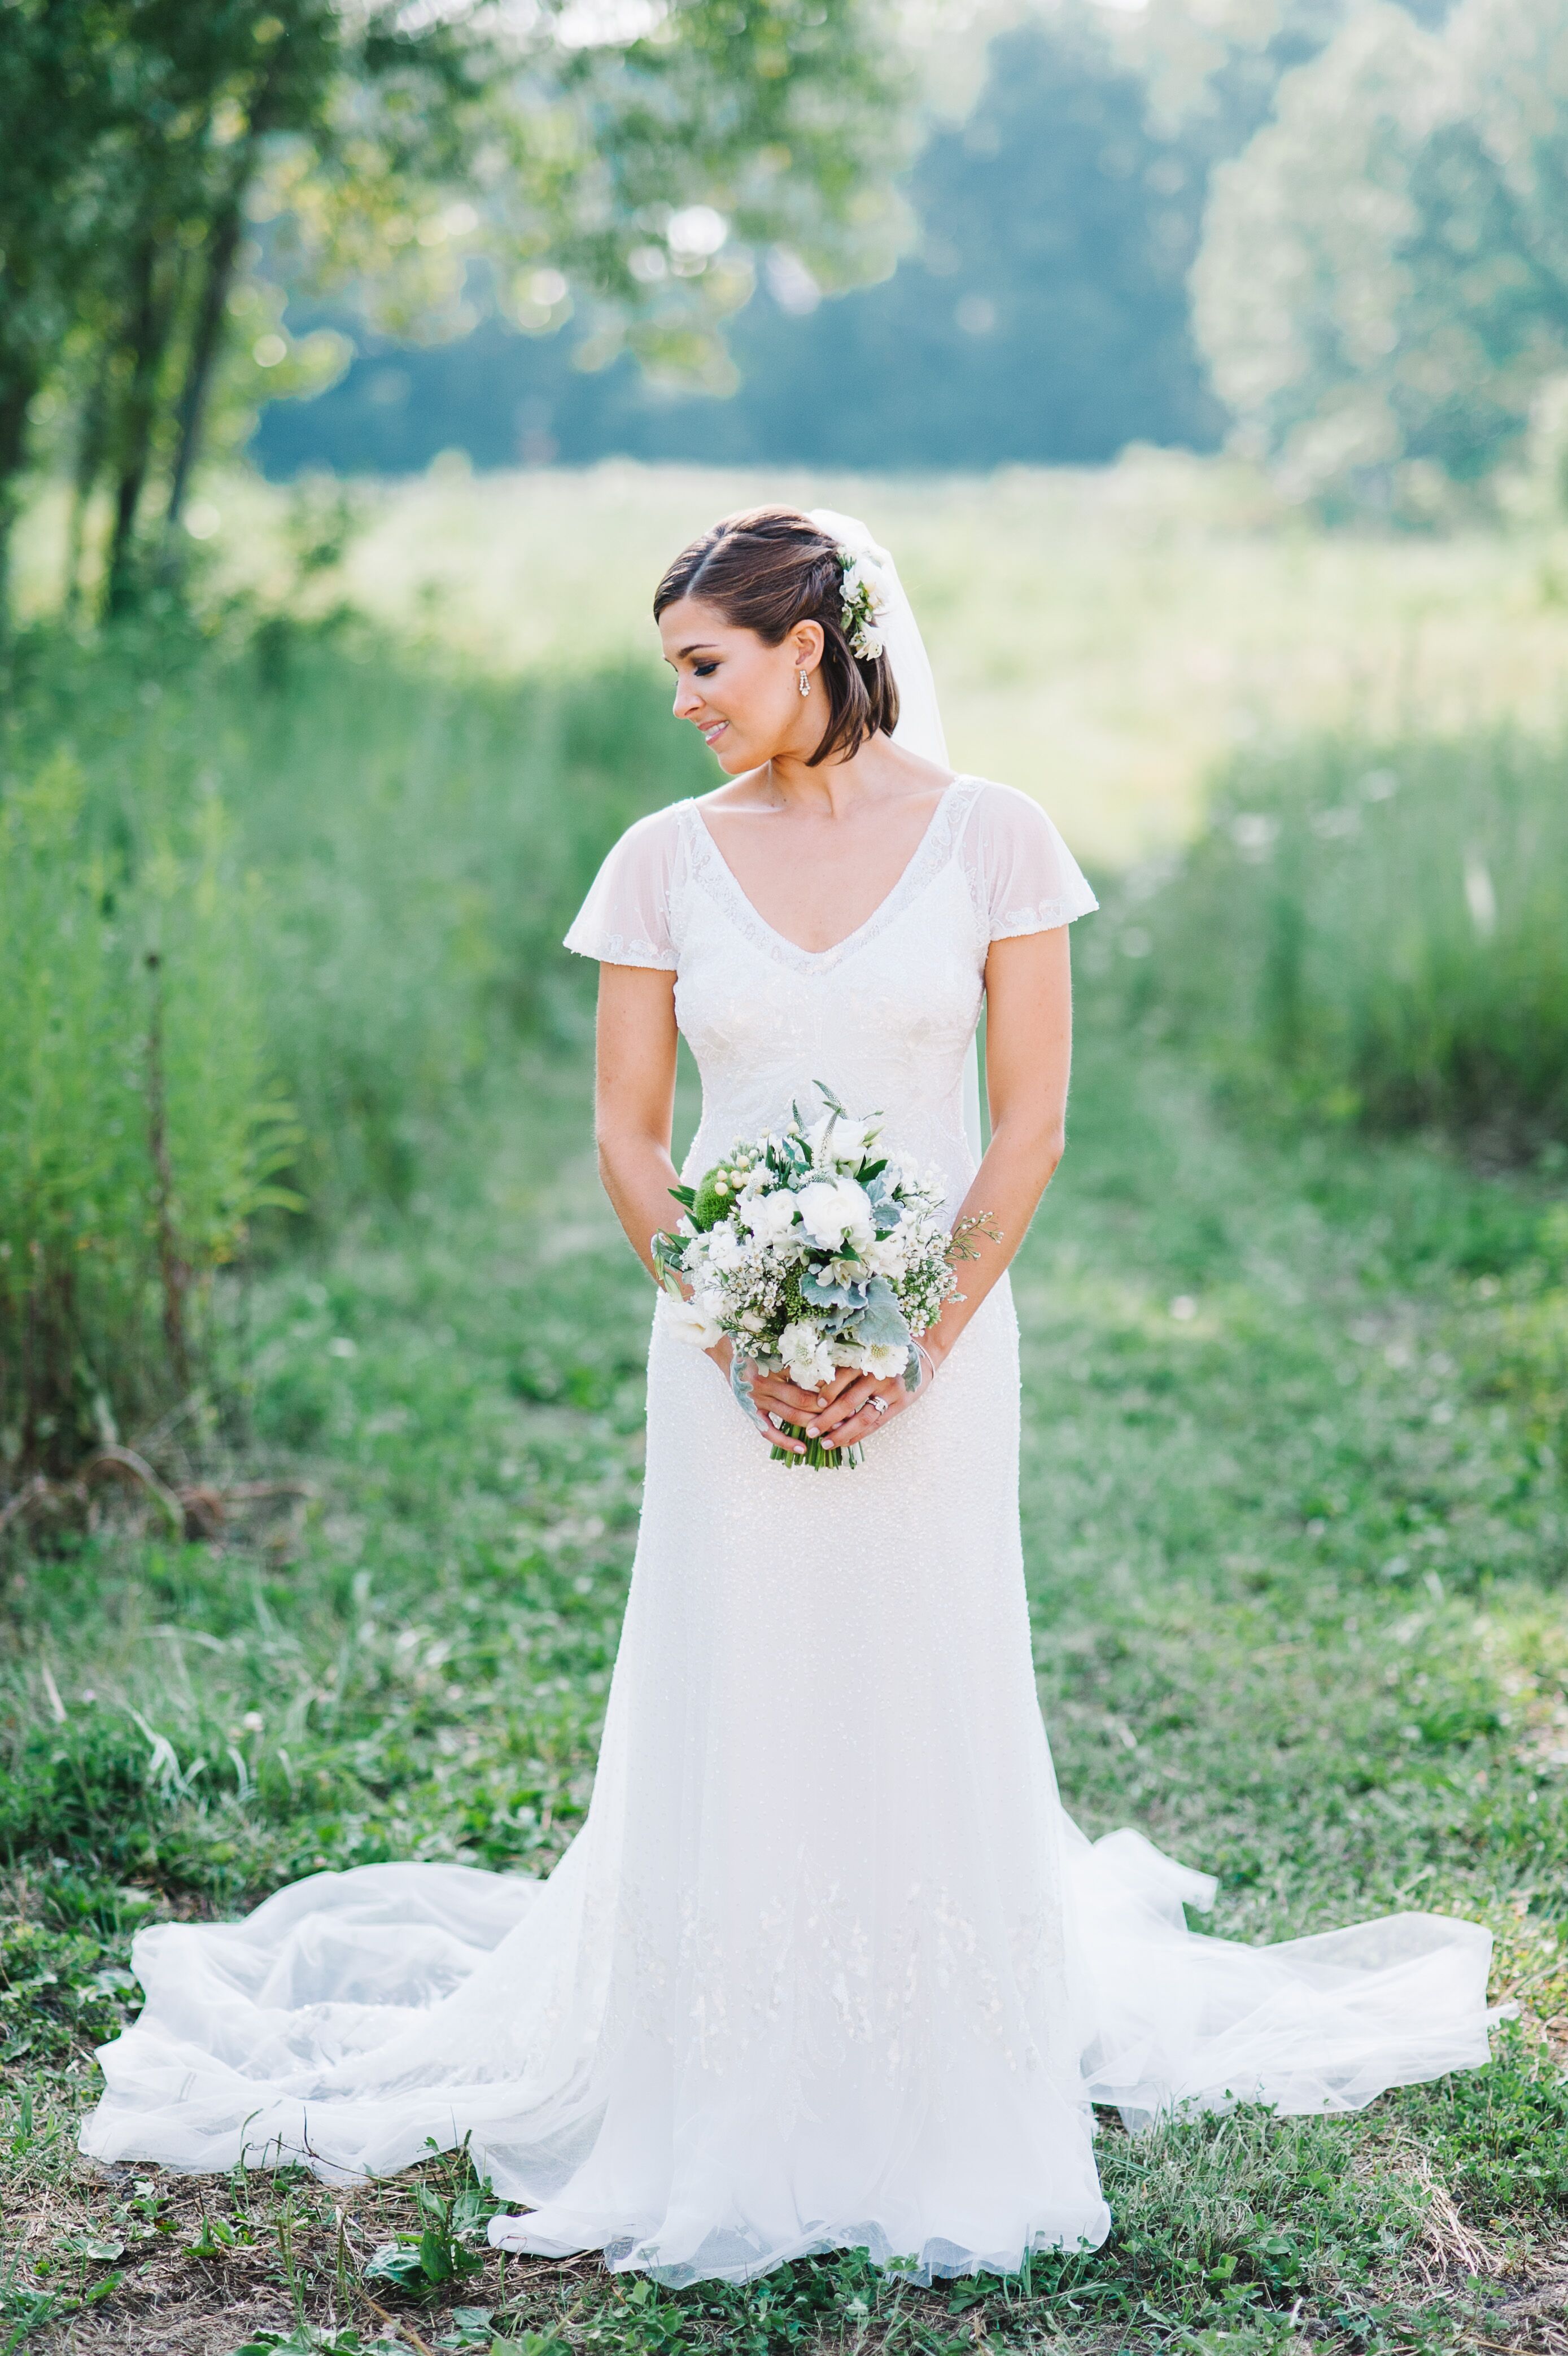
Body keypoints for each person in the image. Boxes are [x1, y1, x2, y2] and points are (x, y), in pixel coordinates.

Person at [80, 506, 1494, 2287]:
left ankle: (935, 2055)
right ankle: (724, 2063)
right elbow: (625, 1133)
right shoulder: (661, 861)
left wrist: (913, 1341)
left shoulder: (994, 840)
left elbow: (1032, 1122)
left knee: (919, 1665)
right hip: (719, 1364)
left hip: (942, 1356)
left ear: (806, 646)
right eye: (670, 668)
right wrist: (734, 1326)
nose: (681, 700)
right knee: (739, 1672)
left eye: (703, 664)